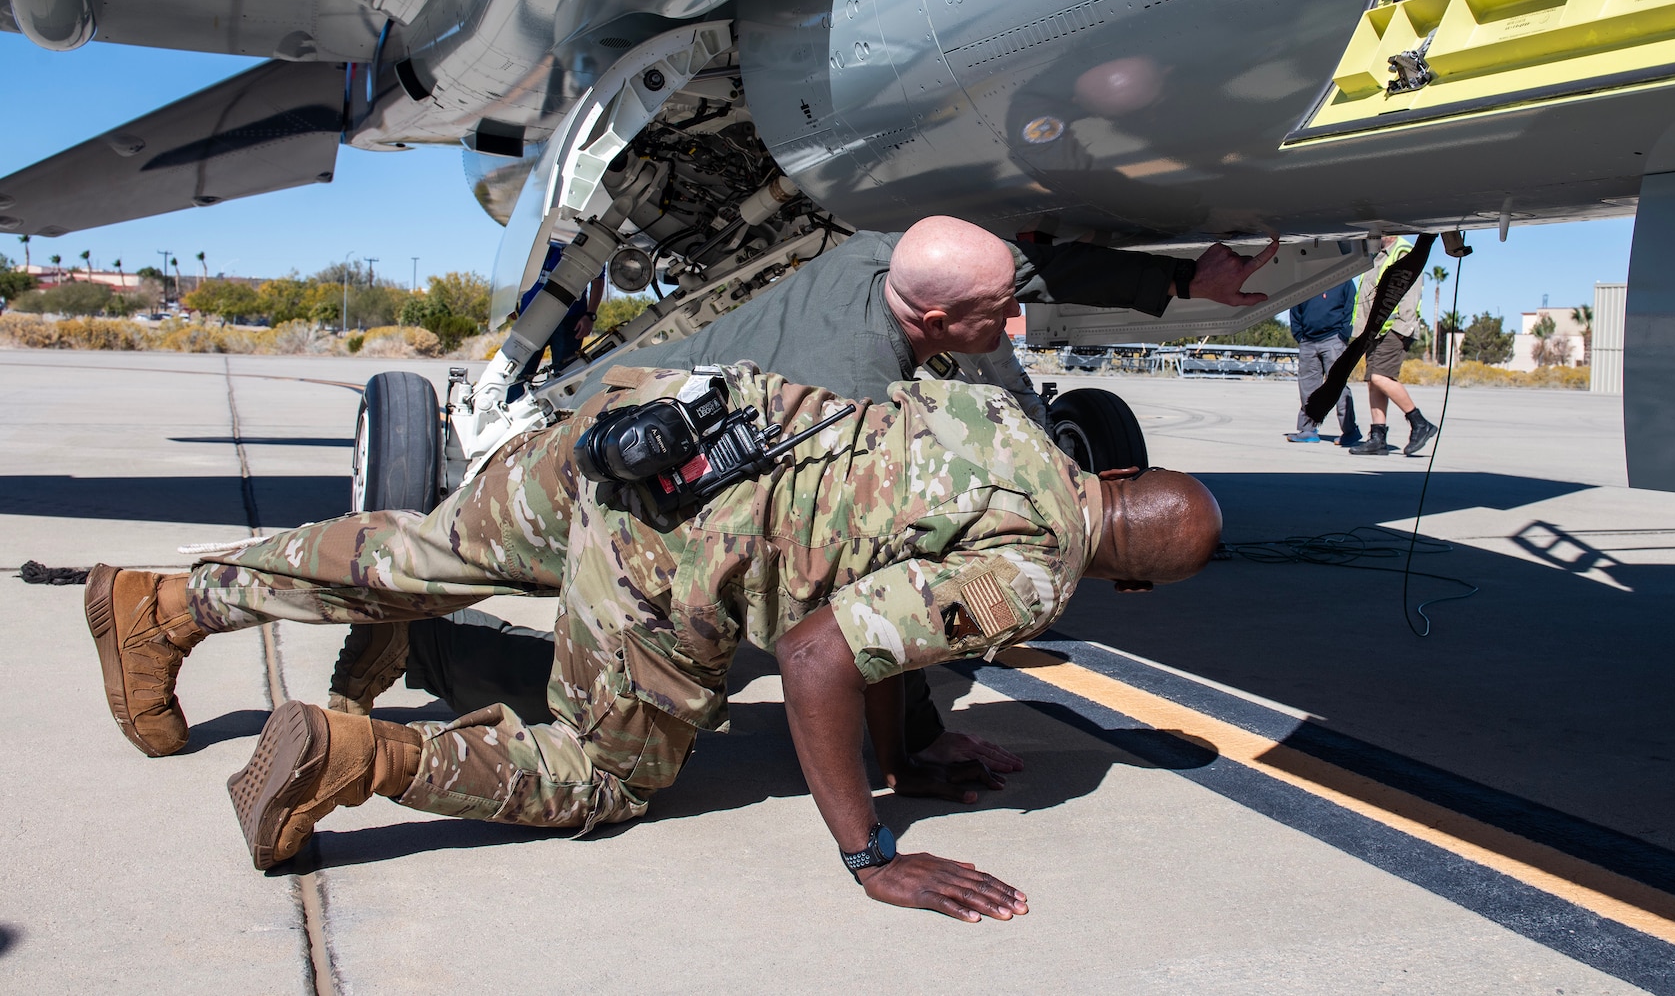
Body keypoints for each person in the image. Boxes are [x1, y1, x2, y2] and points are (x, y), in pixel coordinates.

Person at [84, 364, 1221, 921]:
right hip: (670, 547)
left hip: (653, 426)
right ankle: (355, 754)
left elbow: (887, 607)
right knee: (603, 775)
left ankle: (169, 607)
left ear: (1116, 474)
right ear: (1123, 573)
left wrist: (902, 749)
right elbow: (827, 652)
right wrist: (871, 850)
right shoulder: (1029, 573)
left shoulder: (1008, 421)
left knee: (421, 551)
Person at [327, 217, 1275, 773]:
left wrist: (1185, 278)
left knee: (437, 552)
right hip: (639, 478)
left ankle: (360, 605)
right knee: (636, 733)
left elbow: (1018, 266)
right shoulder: (854, 392)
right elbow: (845, 621)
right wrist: (892, 796)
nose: (1016, 322)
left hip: (628, 424)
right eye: (994, 319)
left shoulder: (880, 256)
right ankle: (434, 652)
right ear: (937, 321)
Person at [1348, 236, 1438, 457]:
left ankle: (1419, 422)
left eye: (1374, 231)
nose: (1369, 235)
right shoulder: (1376, 256)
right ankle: (1378, 437)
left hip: (1393, 328)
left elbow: (1410, 294)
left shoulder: (1403, 253)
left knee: (1380, 377)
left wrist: (1402, 327)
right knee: (1373, 382)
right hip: (1374, 330)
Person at [1284, 281, 1361, 445]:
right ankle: (1308, 430)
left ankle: (1350, 431)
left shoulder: (1344, 280)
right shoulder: (1305, 281)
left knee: (1338, 387)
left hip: (1334, 339)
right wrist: (1299, 335)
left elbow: (1350, 308)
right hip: (1308, 341)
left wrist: (1343, 334)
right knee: (1307, 387)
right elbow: (1294, 308)